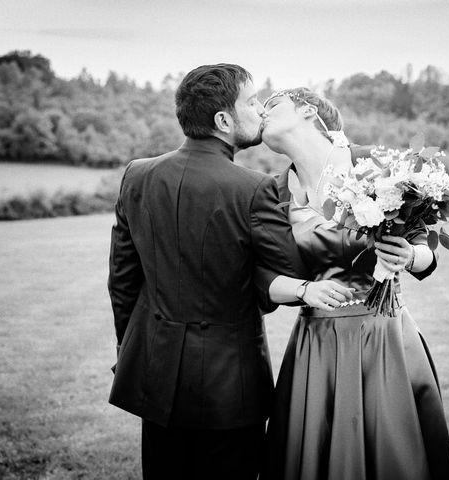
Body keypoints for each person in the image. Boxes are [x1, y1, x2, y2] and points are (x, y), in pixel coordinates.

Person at [107, 65, 353, 480]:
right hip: (230, 386)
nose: (259, 110)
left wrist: (128, 351)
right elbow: (286, 272)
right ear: (223, 121)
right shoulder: (256, 188)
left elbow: (123, 281)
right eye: (251, 102)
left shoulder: (137, 175)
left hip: (156, 375)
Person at [260, 88, 449, 480]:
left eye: (271, 105)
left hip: (383, 334)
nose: (260, 113)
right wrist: (303, 289)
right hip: (316, 343)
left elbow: (425, 253)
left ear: (306, 110)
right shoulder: (273, 191)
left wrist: (408, 255)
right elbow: (264, 276)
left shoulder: (375, 164)